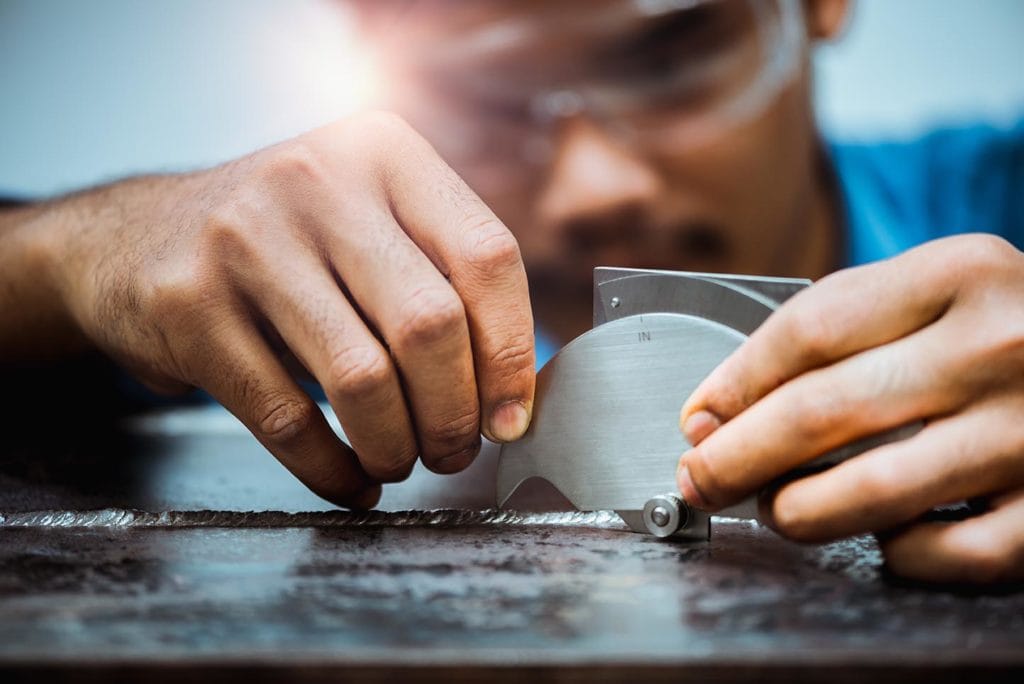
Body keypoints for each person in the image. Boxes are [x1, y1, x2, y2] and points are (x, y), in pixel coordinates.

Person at [0, 0, 1021, 584]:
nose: (595, 187)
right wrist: (66, 253)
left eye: (668, 57)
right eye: (484, 101)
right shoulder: (269, 287)